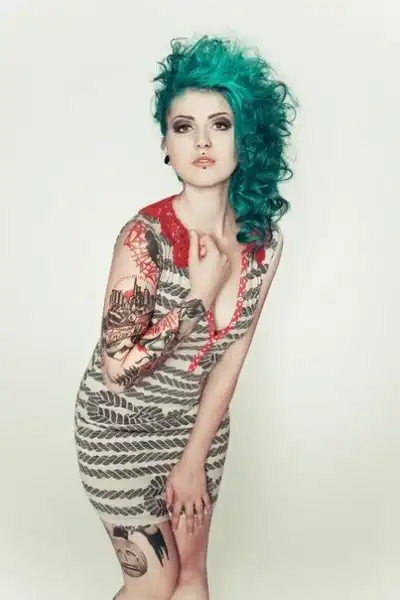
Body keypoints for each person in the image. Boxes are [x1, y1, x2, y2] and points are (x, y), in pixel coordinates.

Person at [74, 34, 297, 600]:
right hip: (118, 427)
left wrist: (194, 457)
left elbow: (231, 361)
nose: (201, 141)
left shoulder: (264, 244)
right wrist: (198, 298)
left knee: (194, 576)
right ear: (166, 145)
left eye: (220, 124)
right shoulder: (144, 238)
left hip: (197, 427)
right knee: (154, 584)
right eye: (183, 126)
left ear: (247, 137)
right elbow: (118, 368)